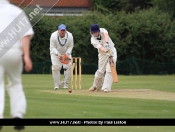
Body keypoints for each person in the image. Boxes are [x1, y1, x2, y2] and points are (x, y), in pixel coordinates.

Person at [0, 0, 34, 130]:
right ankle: (18, 116)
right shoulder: (15, 11)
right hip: (14, 51)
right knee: (15, 83)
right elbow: (25, 35)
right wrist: (26, 56)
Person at [89, 24, 117, 93]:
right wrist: (105, 50)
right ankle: (96, 86)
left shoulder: (103, 30)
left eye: (96, 32)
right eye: (93, 32)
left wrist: (107, 43)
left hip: (112, 51)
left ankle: (106, 88)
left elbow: (106, 34)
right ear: (91, 32)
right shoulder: (92, 40)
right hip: (102, 54)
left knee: (109, 69)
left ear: (98, 31)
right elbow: (101, 48)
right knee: (100, 71)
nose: (95, 33)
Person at [50, 24, 74, 90]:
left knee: (68, 67)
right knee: (55, 68)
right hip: (55, 53)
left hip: (66, 53)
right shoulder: (53, 36)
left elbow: (70, 46)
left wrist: (67, 54)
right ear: (58, 30)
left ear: (66, 30)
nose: (62, 32)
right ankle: (57, 84)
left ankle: (65, 83)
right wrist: (58, 54)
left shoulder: (70, 36)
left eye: (64, 30)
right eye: (61, 30)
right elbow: (52, 47)